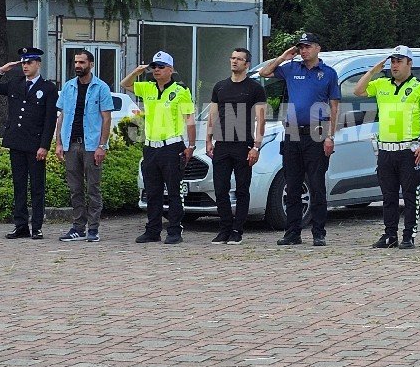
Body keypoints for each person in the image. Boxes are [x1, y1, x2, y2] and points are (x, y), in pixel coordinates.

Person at [258, 31, 340, 247]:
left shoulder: (328, 73)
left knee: (316, 184)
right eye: (301, 47)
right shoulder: (292, 68)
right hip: (293, 132)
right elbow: (264, 72)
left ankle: (318, 232)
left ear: (318, 48)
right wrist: (283, 57)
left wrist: (330, 136)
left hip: (317, 133)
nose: (304, 51)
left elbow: (334, 107)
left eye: (308, 46)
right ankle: (292, 232)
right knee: (292, 184)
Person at [354, 45, 420, 249]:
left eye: (399, 61)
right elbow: (358, 90)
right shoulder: (381, 84)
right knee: (388, 196)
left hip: (408, 150)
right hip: (386, 150)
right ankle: (390, 234)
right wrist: (373, 71)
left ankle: (408, 235)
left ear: (409, 63)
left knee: (410, 195)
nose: (395, 65)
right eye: (392, 61)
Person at [121, 51, 196, 244]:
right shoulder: (148, 88)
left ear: (171, 70)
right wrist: (136, 72)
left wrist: (191, 145)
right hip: (151, 147)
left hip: (172, 146)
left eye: (161, 67)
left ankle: (174, 231)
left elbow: (189, 119)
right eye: (154, 66)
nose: (156, 70)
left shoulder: (181, 90)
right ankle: (153, 230)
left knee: (174, 191)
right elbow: (125, 84)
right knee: (152, 192)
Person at [0, 47, 58, 240]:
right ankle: (21, 226)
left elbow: (50, 119)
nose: (25, 66)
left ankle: (37, 227)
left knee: (37, 187)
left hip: (35, 144)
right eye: (23, 62)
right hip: (16, 141)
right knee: (19, 186)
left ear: (38, 64)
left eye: (29, 62)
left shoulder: (48, 88)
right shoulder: (15, 83)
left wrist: (44, 145)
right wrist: (1, 71)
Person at [206, 48, 267, 245]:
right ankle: (224, 228)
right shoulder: (220, 87)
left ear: (247, 64)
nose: (234, 61)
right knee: (220, 188)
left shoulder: (255, 88)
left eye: (239, 59)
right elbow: (212, 115)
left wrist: (256, 146)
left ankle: (237, 230)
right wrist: (208, 140)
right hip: (222, 144)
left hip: (243, 144)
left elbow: (261, 119)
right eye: (232, 58)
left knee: (242, 189)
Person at [55, 50, 114, 243]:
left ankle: (93, 228)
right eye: (76, 62)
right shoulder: (68, 87)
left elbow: (106, 119)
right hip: (71, 144)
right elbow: (62, 116)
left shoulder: (101, 87)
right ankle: (78, 227)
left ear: (91, 64)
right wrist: (58, 143)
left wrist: (102, 146)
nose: (78, 66)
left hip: (91, 145)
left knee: (93, 188)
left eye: (82, 62)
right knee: (75, 188)